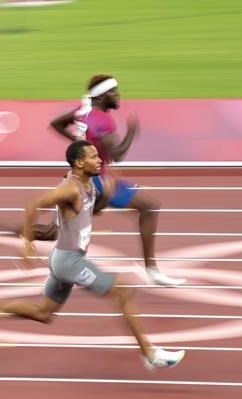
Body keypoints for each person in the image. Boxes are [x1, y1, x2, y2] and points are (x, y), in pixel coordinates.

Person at [0, 140, 185, 370]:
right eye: (94, 157)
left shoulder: (88, 184)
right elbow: (34, 204)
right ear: (79, 162)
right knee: (123, 291)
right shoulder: (70, 188)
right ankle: (149, 354)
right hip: (69, 261)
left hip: (62, 259)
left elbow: (94, 207)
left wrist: (108, 189)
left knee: (43, 313)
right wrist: (26, 242)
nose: (99, 160)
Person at [49, 74, 184, 286]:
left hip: (86, 178)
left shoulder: (82, 111)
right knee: (52, 231)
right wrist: (132, 133)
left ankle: (151, 270)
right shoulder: (103, 120)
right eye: (114, 92)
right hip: (94, 183)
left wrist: (77, 144)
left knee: (148, 206)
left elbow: (56, 123)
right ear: (102, 97)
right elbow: (117, 155)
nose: (118, 95)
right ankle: (151, 270)